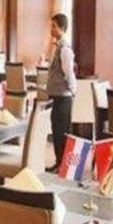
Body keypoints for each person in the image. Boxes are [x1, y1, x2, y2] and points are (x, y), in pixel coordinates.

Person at [47, 13, 77, 172]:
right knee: (57, 131)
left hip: (63, 97)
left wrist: (72, 90)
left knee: (62, 132)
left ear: (62, 28)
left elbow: (69, 73)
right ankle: (59, 162)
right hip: (57, 96)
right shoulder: (58, 47)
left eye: (54, 26)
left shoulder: (65, 49)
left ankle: (63, 165)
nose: (51, 29)